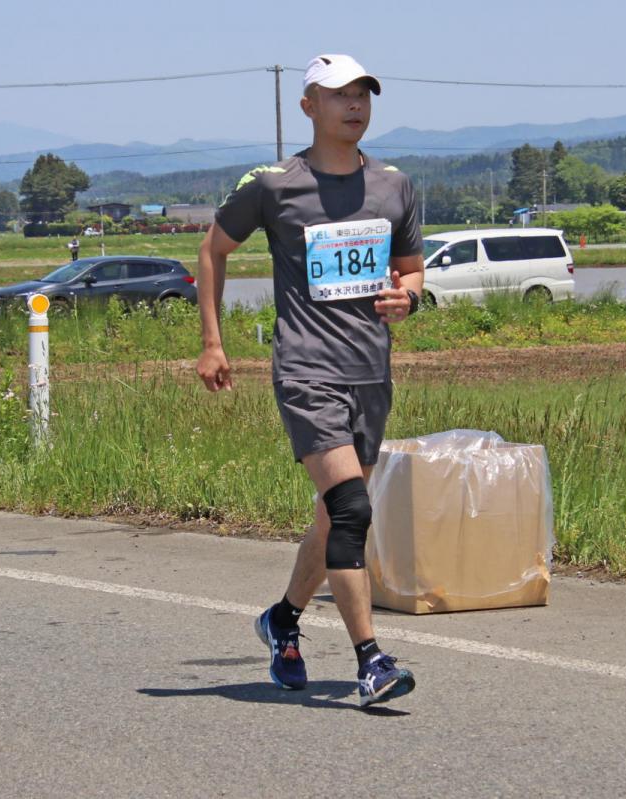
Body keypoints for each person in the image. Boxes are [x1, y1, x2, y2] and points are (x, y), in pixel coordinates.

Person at [196, 54, 424, 708]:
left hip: (369, 372)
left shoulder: (395, 186)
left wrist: (407, 297)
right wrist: (212, 342)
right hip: (305, 370)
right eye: (338, 95)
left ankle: (283, 619)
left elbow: (412, 269)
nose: (354, 105)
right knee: (352, 508)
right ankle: (371, 660)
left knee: (332, 519)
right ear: (308, 107)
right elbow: (212, 250)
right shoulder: (274, 185)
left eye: (363, 94)